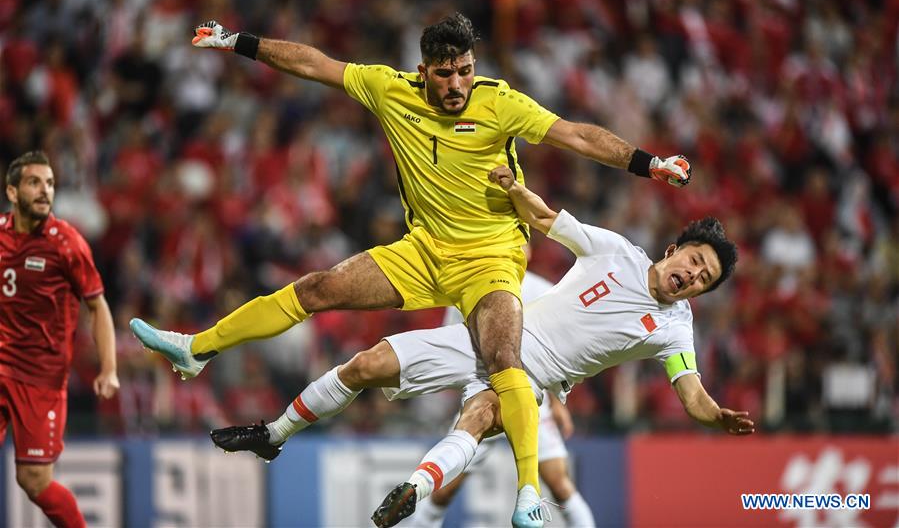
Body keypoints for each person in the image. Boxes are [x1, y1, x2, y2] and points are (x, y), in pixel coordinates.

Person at [130, 13, 691, 526]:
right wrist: (238, 43)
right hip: (423, 250)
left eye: (465, 72)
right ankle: (197, 349)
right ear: (423, 70)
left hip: (492, 257)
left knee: (503, 360)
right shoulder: (389, 89)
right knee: (318, 287)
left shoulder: (501, 103)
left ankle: (528, 498)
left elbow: (576, 135)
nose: (457, 86)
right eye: (445, 74)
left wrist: (649, 164)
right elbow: (314, 64)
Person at [209, 165, 751, 528]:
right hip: (490, 337)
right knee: (366, 364)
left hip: (530, 384)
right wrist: (514, 189)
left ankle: (413, 496)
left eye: (704, 279)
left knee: (477, 416)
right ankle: (273, 434)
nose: (693, 276)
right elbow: (546, 219)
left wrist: (715, 417)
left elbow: (691, 393)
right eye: (694, 262)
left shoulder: (676, 328)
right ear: (674, 248)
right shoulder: (615, 252)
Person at [406, 271, 595, 528]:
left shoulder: (544, 289)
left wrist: (554, 398)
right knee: (444, 489)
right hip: (484, 394)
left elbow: (556, 347)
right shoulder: (468, 284)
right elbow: (455, 342)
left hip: (532, 398)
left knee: (559, 484)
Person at [0, 151, 119, 528]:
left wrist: (109, 369)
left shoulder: (67, 244)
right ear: (12, 192)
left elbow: (98, 308)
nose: (44, 191)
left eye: (49, 183)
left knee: (34, 480)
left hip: (41, 380)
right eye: (35, 182)